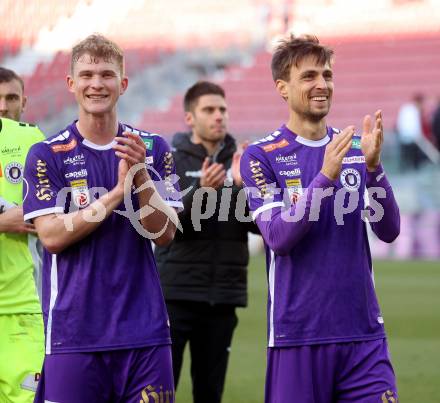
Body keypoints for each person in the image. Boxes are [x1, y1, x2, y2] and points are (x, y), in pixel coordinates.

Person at [22, 34, 183, 403]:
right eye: (87, 74)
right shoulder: (46, 154)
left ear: (123, 84)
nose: (97, 84)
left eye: (107, 74)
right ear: (71, 84)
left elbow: (165, 234)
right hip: (74, 336)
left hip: (145, 335)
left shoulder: (154, 148)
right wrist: (115, 195)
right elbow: (51, 237)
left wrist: (141, 174)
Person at [240, 35, 401, 403]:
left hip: (363, 336)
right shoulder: (260, 155)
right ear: (283, 88)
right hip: (297, 337)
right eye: (309, 76)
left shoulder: (356, 150)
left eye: (326, 75)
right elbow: (279, 237)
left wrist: (375, 169)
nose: (321, 85)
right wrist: (325, 175)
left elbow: (389, 230)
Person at [155, 81, 259, 403]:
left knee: (210, 394)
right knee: (160, 392)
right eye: (209, 110)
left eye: (223, 110)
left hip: (222, 299)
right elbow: (164, 225)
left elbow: (261, 226)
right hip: (175, 295)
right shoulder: (168, 162)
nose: (219, 116)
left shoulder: (243, 160)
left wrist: (243, 187)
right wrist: (204, 195)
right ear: (190, 118)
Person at [0, 67, 45, 403]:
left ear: (24, 102)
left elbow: (52, 216)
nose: (3, 106)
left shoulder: (31, 141)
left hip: (22, 308)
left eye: (11, 98)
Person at [395, 93, 427, 170]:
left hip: (403, 138)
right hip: (410, 140)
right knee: (417, 158)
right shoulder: (413, 111)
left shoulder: (406, 108)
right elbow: (414, 129)